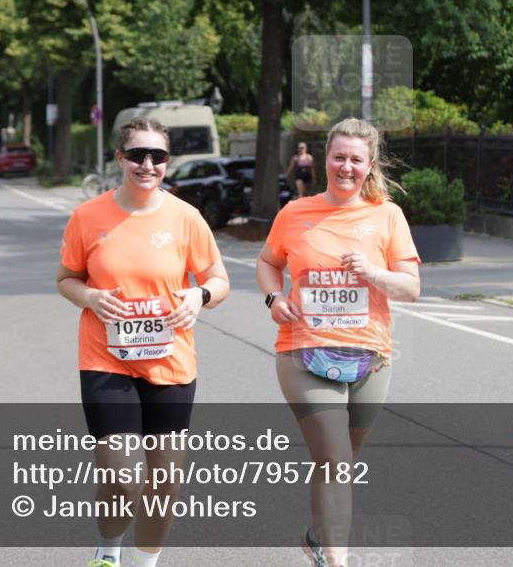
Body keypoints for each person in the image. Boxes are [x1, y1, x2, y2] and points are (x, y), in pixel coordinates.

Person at [57, 118, 230, 567]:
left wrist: (200, 294)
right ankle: (108, 551)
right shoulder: (88, 217)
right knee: (123, 478)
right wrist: (92, 296)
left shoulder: (185, 217)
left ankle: (145, 563)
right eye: (137, 154)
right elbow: (66, 279)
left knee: (166, 480)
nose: (147, 164)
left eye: (158, 156)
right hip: (106, 359)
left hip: (171, 362)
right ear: (120, 159)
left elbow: (218, 278)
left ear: (167, 163)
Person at [256, 118, 421, 567]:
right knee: (334, 455)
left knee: (344, 461)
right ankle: (337, 560)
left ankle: (318, 536)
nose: (345, 167)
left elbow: (410, 288)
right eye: (338, 157)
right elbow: (268, 262)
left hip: (370, 355)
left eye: (355, 160)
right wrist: (273, 297)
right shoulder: (295, 213)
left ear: (369, 166)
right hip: (301, 351)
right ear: (323, 158)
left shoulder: (387, 215)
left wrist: (372, 273)